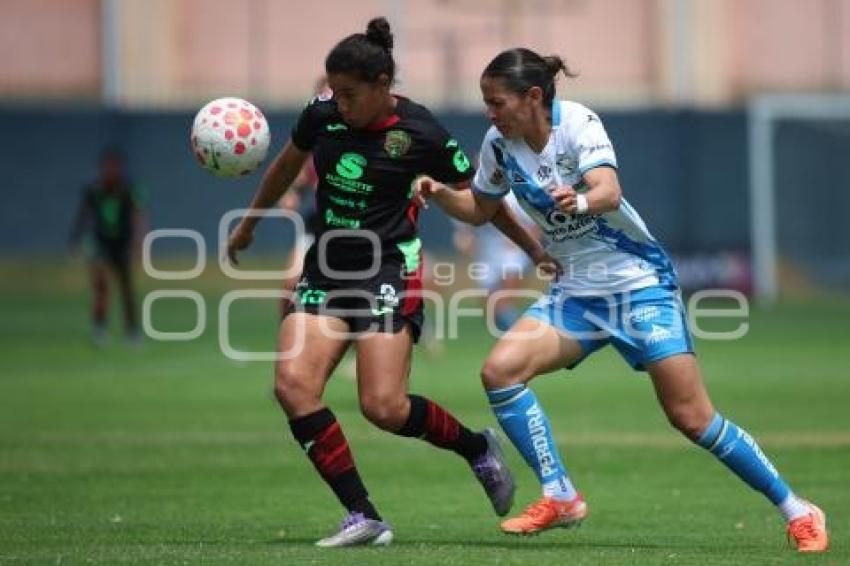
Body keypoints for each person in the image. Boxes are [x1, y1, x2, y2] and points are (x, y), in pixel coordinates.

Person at [412, 48, 828, 552]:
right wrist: (437, 193)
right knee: (500, 371)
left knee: (692, 417)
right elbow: (480, 207)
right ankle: (560, 494)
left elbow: (608, 190)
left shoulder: (578, 123)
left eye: (496, 102)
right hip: (576, 293)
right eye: (486, 103)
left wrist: (581, 199)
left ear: (533, 97)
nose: (489, 112)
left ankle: (797, 509)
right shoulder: (499, 144)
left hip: (639, 285)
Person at [226, 19, 550, 547]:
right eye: (334, 92)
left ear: (382, 86)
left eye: (350, 94)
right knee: (293, 387)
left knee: (384, 407)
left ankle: (476, 448)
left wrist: (534, 249)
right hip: (327, 267)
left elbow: (483, 198)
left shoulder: (421, 132)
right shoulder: (322, 116)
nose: (339, 103)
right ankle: (362, 514)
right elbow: (287, 165)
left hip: (389, 272)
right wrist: (249, 224)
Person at [69, 147, 144, 347]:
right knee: (101, 286)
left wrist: (139, 241)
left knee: (126, 289)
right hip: (101, 242)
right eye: (108, 167)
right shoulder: (93, 189)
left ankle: (132, 331)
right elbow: (83, 215)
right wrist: (76, 238)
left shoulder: (128, 188)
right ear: (102, 168)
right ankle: (100, 328)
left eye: (115, 167)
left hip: (122, 244)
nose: (111, 171)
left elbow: (139, 214)